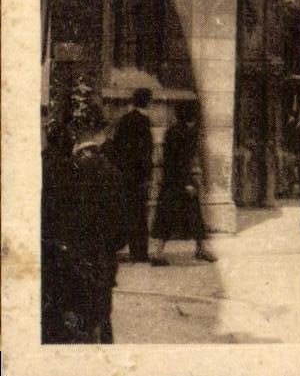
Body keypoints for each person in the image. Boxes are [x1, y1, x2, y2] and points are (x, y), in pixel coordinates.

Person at [41, 85, 128, 343]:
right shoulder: (112, 173)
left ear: (71, 132)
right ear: (101, 131)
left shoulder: (58, 172)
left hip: (62, 273)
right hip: (99, 269)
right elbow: (120, 235)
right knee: (98, 331)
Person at [149, 102, 216, 264]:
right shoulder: (187, 133)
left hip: (170, 180)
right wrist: (187, 183)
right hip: (181, 181)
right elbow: (182, 161)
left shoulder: (172, 132)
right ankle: (200, 249)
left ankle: (159, 253)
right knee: (192, 216)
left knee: (167, 217)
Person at [109, 87, 154, 263]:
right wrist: (146, 175)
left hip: (124, 174)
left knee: (125, 212)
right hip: (137, 177)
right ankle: (139, 252)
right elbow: (145, 152)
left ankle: (119, 247)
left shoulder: (124, 120)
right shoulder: (143, 121)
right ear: (148, 102)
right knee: (139, 214)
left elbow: (117, 147)